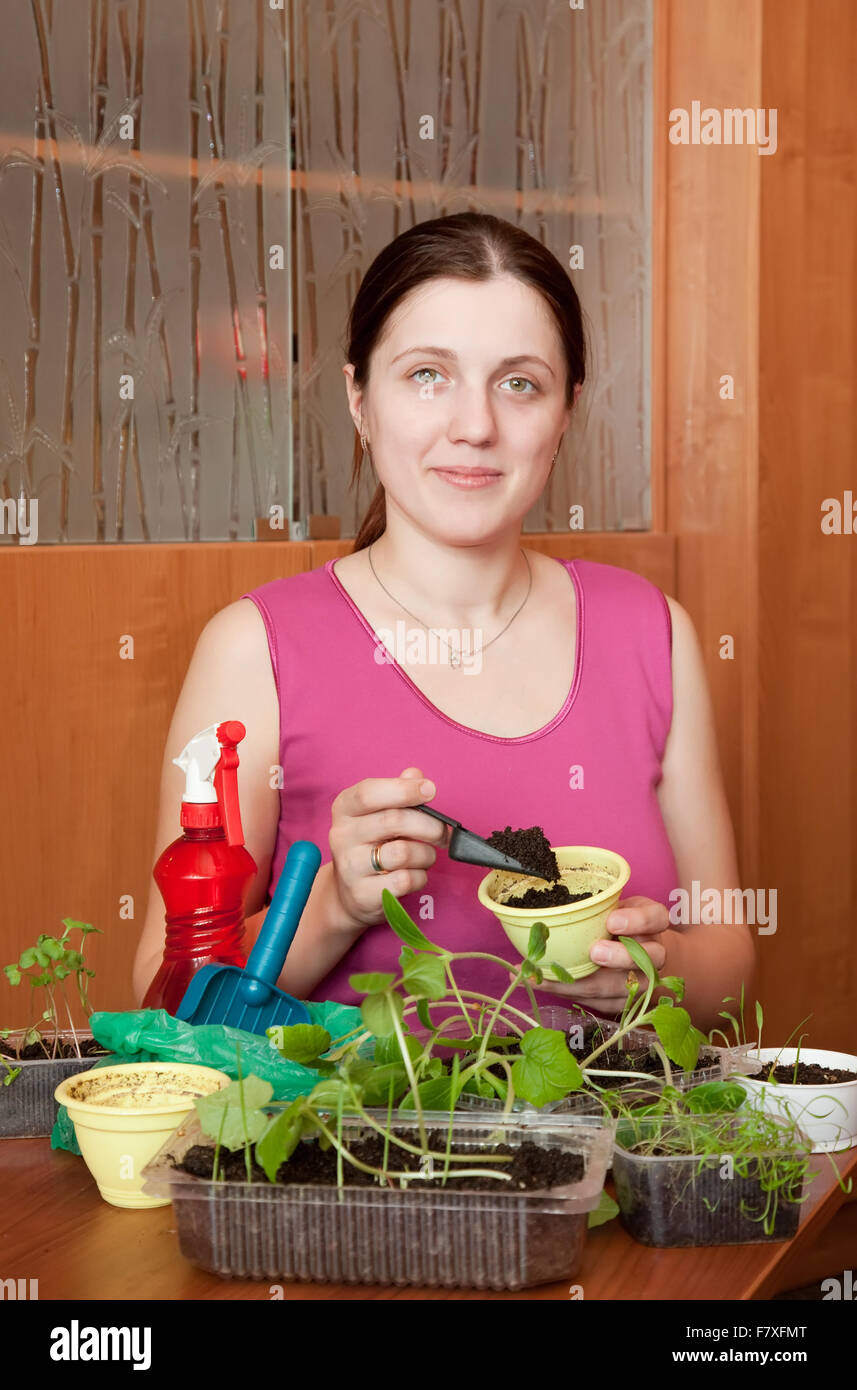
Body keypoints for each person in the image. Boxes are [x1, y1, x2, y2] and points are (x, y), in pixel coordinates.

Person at [133, 212, 754, 1032]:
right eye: (427, 374)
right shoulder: (253, 651)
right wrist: (329, 908)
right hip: (349, 1153)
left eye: (519, 382)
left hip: (618, 1148)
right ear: (359, 398)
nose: (474, 425)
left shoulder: (652, 634)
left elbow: (731, 965)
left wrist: (653, 972)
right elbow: (156, 1005)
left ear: (565, 411)